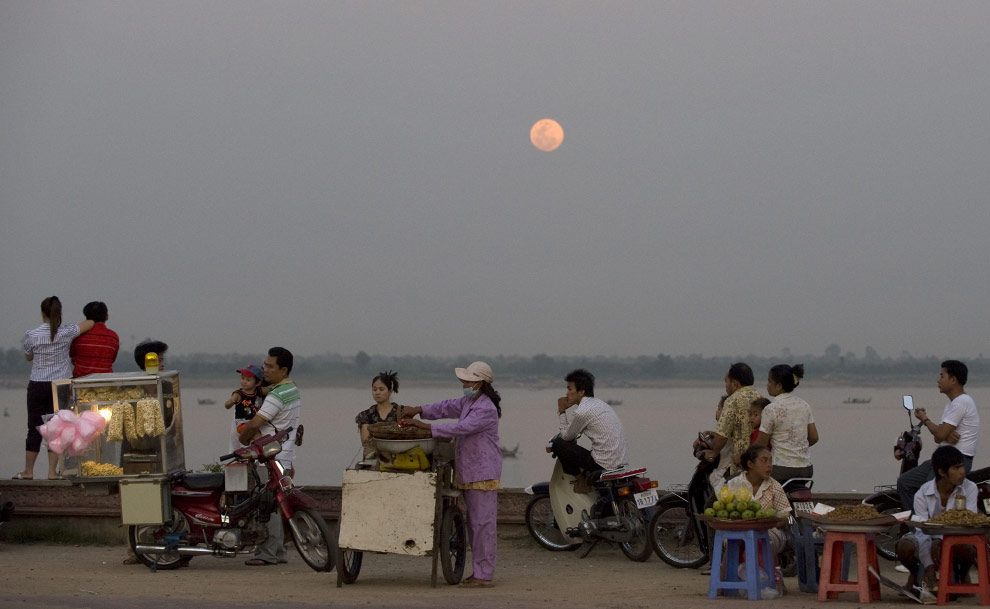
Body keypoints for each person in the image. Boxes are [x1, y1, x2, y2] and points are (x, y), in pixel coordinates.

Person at [400, 361, 502, 589]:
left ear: (479, 383)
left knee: (482, 525)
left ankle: (484, 574)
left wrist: (425, 427)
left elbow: (461, 428)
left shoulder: (485, 408)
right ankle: (480, 571)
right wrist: (419, 409)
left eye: (467, 381)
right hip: (471, 471)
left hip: (483, 473)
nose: (464, 384)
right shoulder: (469, 401)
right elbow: (445, 407)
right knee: (475, 524)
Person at [15, 296, 95, 480]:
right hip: (60, 386)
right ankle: (52, 472)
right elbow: (89, 323)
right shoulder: (67, 332)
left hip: (37, 384)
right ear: (59, 313)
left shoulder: (32, 335)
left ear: (42, 312)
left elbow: (28, 357)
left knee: (33, 427)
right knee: (57, 428)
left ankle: (28, 471)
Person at [239, 347, 301, 566]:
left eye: (270, 366)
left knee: (268, 506)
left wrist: (244, 438)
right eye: (264, 365)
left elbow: (256, 423)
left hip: (270, 457)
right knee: (279, 505)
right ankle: (279, 550)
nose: (264, 369)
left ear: (283, 369)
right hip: (284, 456)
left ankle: (268, 553)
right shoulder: (292, 390)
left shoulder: (276, 395)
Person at [897, 360, 978, 512]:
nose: (938, 380)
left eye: (942, 376)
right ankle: (916, 528)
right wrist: (945, 435)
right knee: (904, 482)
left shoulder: (961, 403)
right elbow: (939, 436)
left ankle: (934, 529)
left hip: (957, 462)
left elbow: (939, 434)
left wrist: (924, 419)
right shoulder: (952, 404)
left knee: (931, 489)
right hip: (941, 458)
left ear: (953, 380)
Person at [896, 445, 977, 594]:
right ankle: (915, 574)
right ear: (941, 472)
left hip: (956, 536)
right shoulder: (923, 493)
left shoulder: (970, 488)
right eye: (956, 468)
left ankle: (963, 573)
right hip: (925, 536)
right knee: (904, 546)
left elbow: (967, 522)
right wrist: (929, 567)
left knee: (969, 549)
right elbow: (920, 529)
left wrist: (940, 540)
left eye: (962, 466)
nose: (962, 472)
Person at [550, 369, 629, 494]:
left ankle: (581, 481)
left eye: (570, 389)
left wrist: (561, 410)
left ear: (581, 392)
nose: (566, 393)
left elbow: (566, 437)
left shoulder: (582, 412)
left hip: (602, 464)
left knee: (559, 444)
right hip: (620, 461)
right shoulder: (600, 404)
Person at [697, 363, 763, 490]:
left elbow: (722, 436)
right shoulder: (761, 399)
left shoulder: (732, 400)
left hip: (740, 464)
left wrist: (713, 452)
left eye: (726, 381)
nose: (726, 385)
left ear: (735, 384)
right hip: (760, 461)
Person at [754, 364, 819, 483]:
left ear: (778, 386)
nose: (767, 385)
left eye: (769, 381)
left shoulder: (771, 409)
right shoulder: (804, 405)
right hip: (806, 469)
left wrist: (743, 456)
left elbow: (760, 445)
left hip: (780, 469)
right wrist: (796, 447)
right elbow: (814, 437)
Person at [726, 445, 792, 556]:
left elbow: (784, 517)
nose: (769, 465)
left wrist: (767, 524)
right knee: (735, 541)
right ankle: (726, 572)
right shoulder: (734, 484)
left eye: (770, 461)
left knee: (761, 541)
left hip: (769, 532)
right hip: (739, 530)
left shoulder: (774, 486)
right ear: (750, 464)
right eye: (764, 461)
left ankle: (771, 571)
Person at [355, 370, 401, 458]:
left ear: (390, 391)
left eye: (381, 389)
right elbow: (366, 442)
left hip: (398, 459)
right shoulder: (366, 415)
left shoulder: (400, 412)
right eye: (374, 389)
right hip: (372, 461)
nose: (377, 392)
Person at [69, 301, 119, 377]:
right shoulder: (113, 337)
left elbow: (72, 355)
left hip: (80, 383)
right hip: (105, 383)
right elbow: (112, 360)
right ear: (107, 316)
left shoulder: (78, 335)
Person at [224, 365, 263, 452]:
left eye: (248, 380)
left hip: (254, 422)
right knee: (258, 437)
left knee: (259, 434)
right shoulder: (239, 394)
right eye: (243, 378)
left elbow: (270, 389)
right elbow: (227, 404)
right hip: (242, 423)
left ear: (257, 383)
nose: (244, 382)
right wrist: (230, 402)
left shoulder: (259, 391)